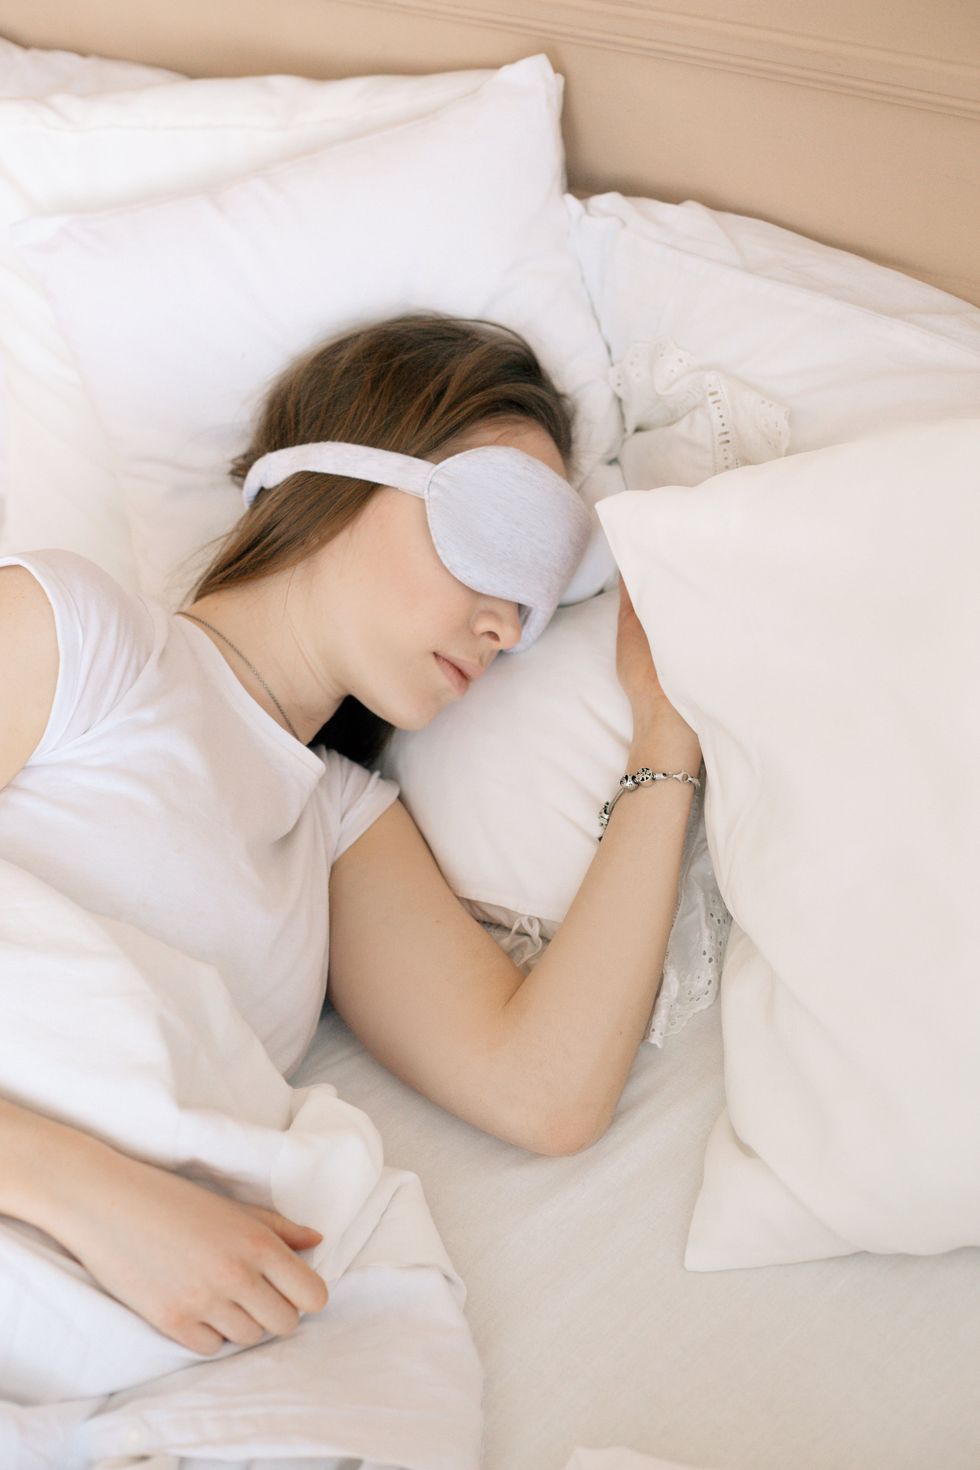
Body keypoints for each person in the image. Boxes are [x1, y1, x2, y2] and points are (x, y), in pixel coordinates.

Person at [0, 310, 702, 1360]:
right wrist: (95, 1197)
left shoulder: (340, 825)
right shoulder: (85, 637)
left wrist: (667, 733)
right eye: (500, 539)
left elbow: (544, 1091)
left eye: (539, 598)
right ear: (335, 466)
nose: (507, 624)